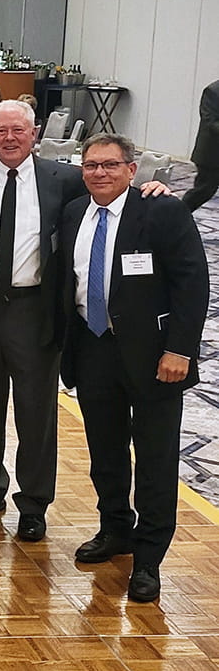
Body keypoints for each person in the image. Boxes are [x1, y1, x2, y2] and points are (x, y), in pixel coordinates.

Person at [58, 133, 208, 602]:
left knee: (156, 460)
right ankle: (115, 530)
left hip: (156, 357)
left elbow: (192, 283)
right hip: (94, 348)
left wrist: (180, 350)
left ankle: (148, 558)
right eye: (90, 165)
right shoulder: (73, 213)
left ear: (131, 169)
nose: (98, 173)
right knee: (105, 452)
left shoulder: (160, 211)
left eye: (109, 165)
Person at [0, 99, 86, 542]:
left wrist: (153, 192)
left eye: (17, 131)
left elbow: (112, 195)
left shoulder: (65, 180)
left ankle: (34, 502)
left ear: (34, 133)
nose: (9, 138)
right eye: (0, 131)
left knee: (35, 412)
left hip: (35, 310)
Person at [182, 79, 219, 211]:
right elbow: (210, 122)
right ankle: (177, 215)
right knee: (203, 191)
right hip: (212, 155)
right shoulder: (213, 91)